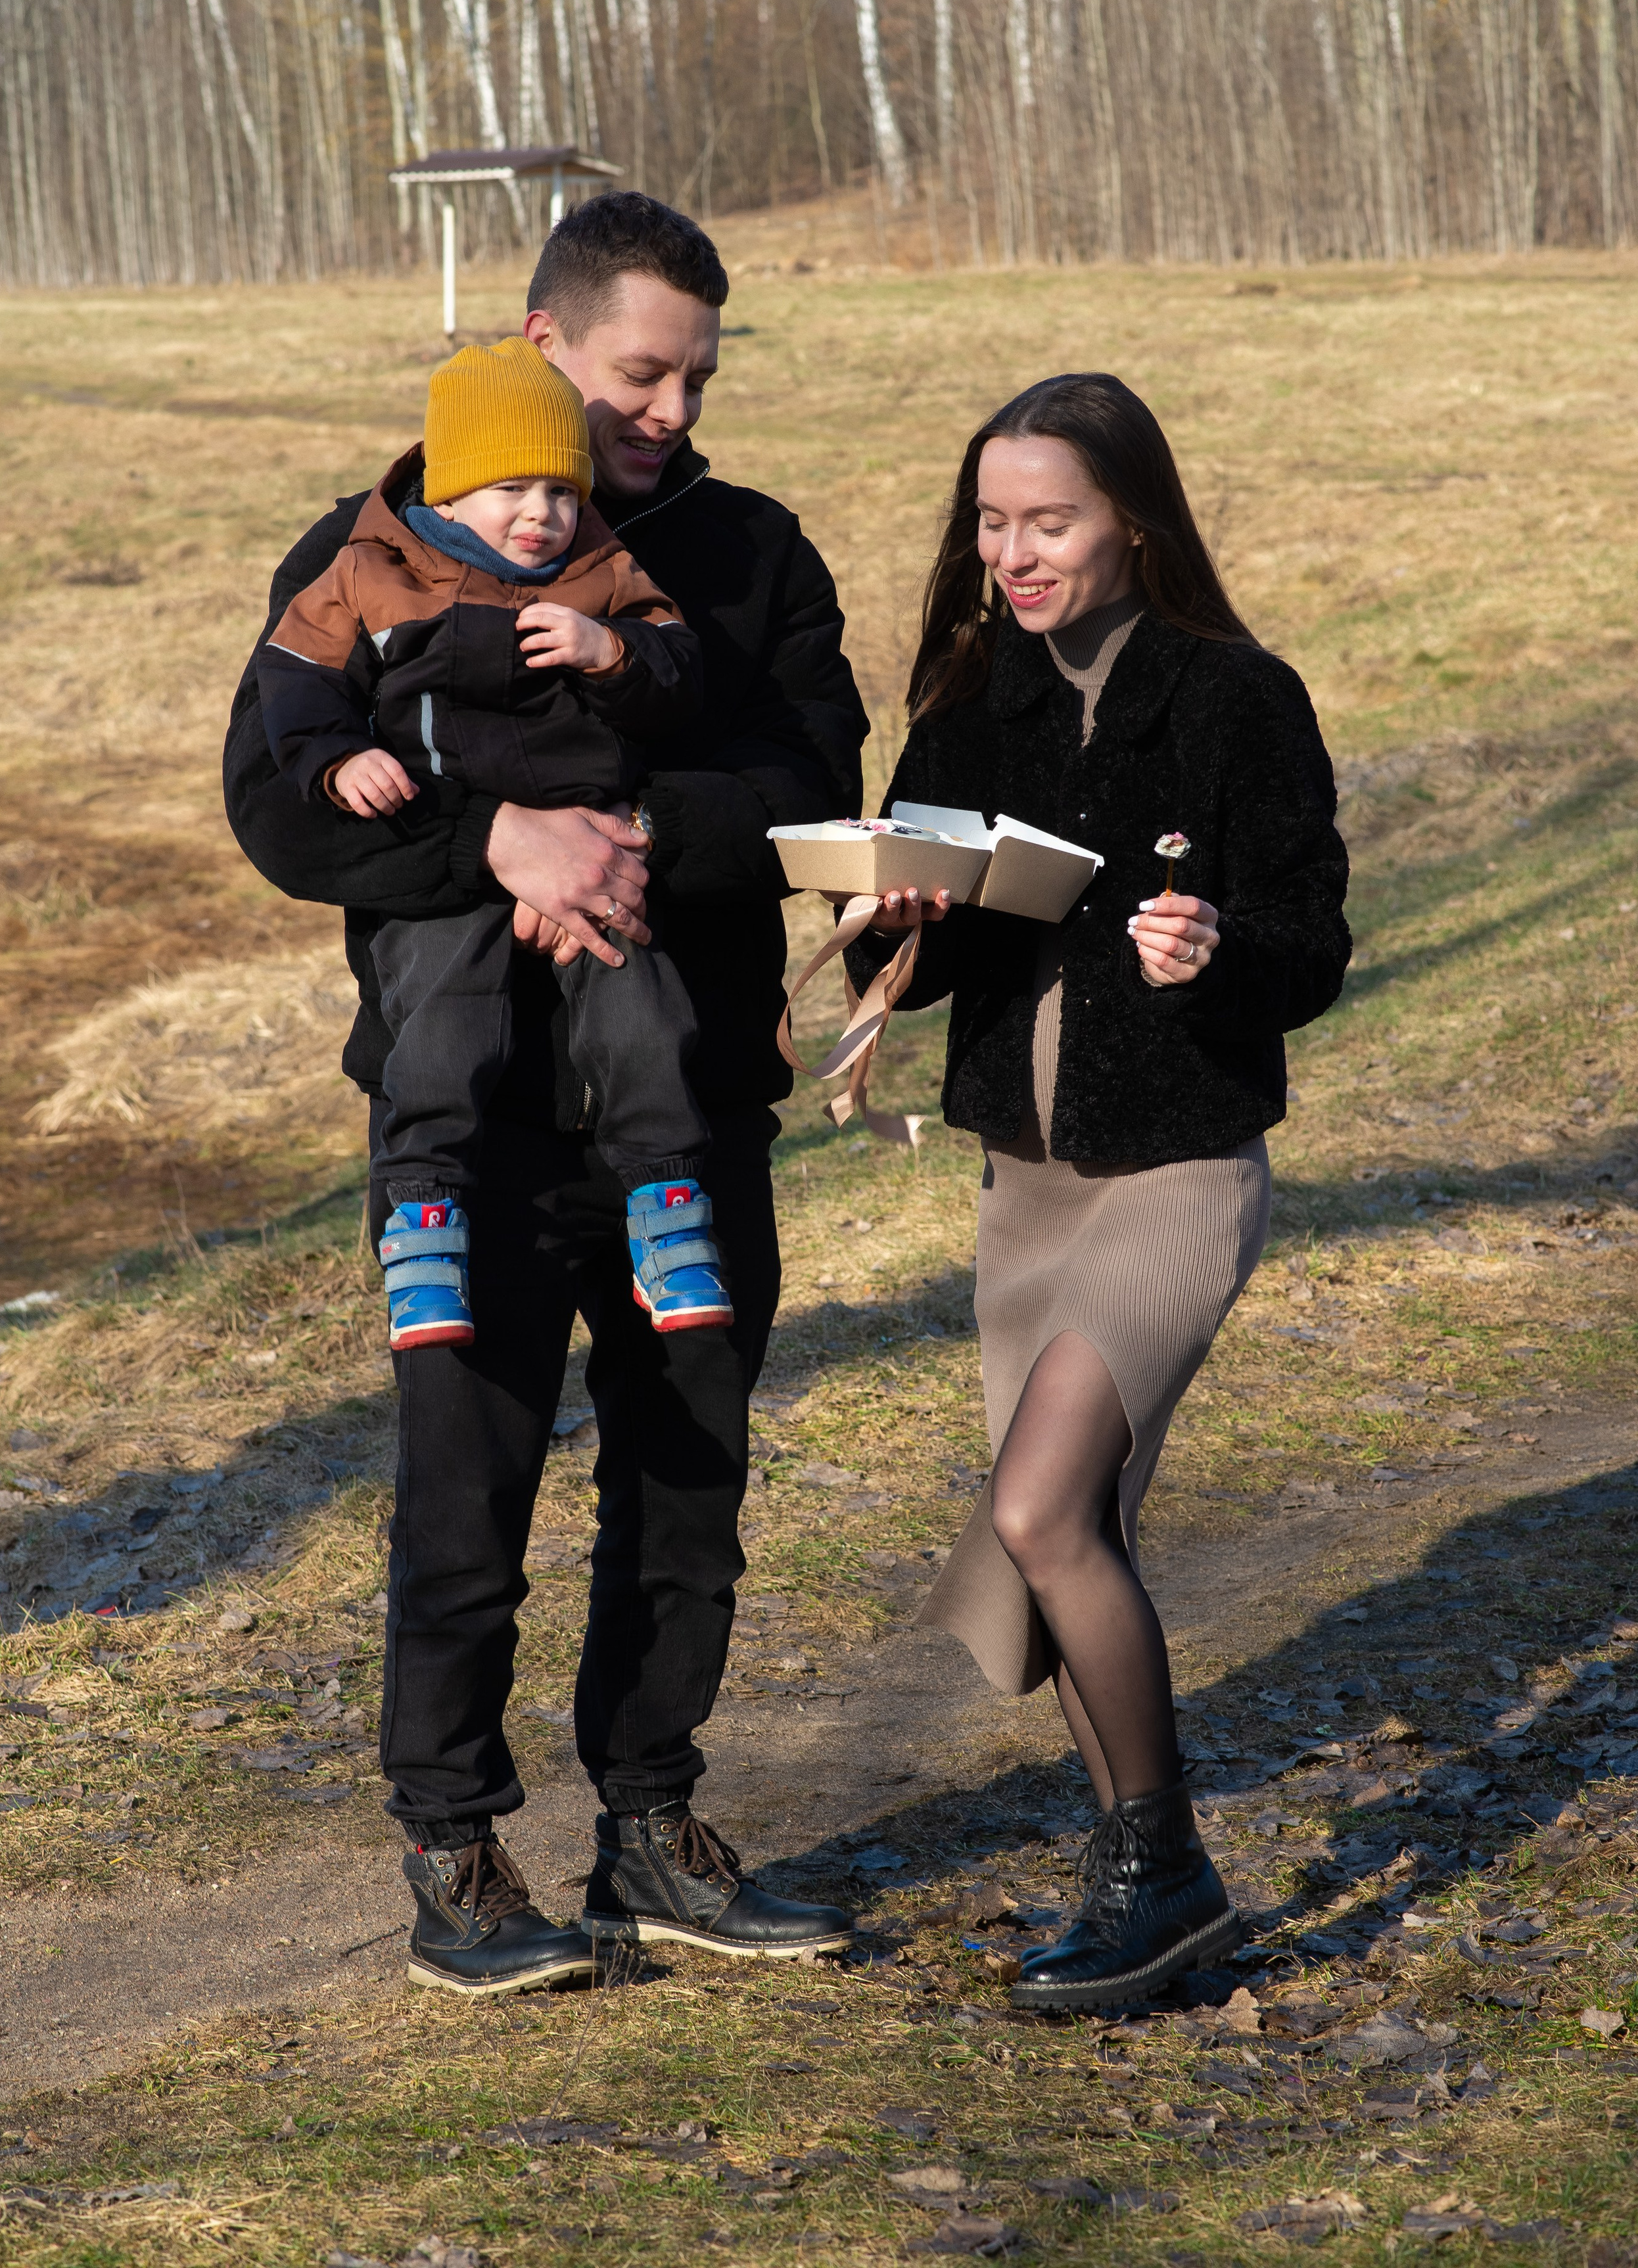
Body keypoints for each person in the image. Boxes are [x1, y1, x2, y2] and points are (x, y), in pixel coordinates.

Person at [224, 193, 867, 1994]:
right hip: (472, 1125)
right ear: (540, 347)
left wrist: (639, 828)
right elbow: (277, 804)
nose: (666, 409)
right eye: (640, 371)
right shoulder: (386, 543)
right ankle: (455, 1850)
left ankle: (653, 1827)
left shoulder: (743, 556)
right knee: (464, 1499)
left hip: (683, 1103)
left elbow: (820, 774)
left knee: (689, 1488)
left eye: (696, 376)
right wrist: (491, 834)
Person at [847, 373, 1350, 2012]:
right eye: (990, 522)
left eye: (1047, 519)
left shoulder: (1235, 697)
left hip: (1178, 1169)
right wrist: (890, 916)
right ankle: (1148, 1886)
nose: (1012, 552)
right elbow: (910, 968)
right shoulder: (971, 697)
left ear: (1131, 516)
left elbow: (1311, 949)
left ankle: (1164, 1866)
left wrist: (1211, 951)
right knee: (1075, 1538)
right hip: (1027, 1181)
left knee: (1036, 1510)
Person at [257, 333, 732, 1345]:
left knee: (646, 1017)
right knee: (437, 1024)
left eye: (562, 491)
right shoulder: (372, 572)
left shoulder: (600, 570)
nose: (543, 514)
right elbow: (291, 678)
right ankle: (422, 1226)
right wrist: (336, 762)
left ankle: (669, 1208)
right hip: (443, 871)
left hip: (596, 871)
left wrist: (616, 653)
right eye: (513, 488)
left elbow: (682, 675)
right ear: (452, 486)